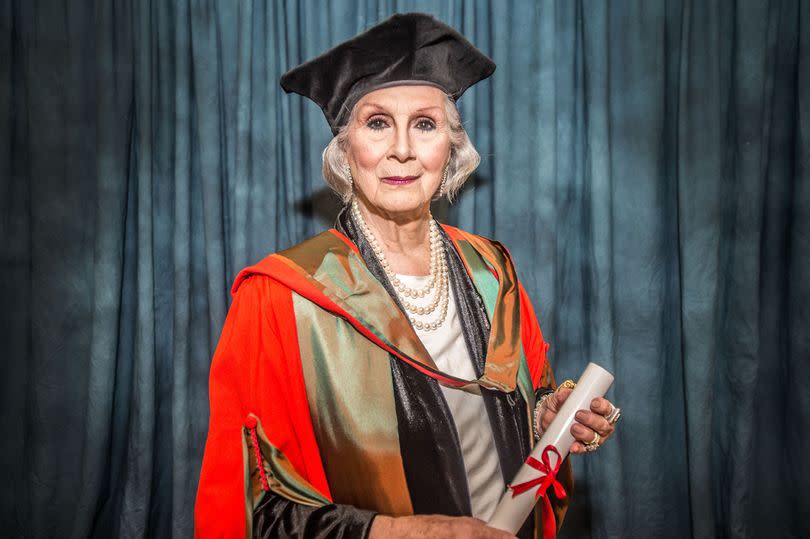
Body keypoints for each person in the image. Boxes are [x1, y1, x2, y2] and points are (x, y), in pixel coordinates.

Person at [195, 13, 621, 539]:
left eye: (425, 123)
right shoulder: (281, 299)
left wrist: (548, 420)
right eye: (377, 123)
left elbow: (505, 420)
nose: (402, 149)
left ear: (451, 148)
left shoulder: (493, 272)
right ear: (345, 150)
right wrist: (407, 533)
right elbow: (252, 505)